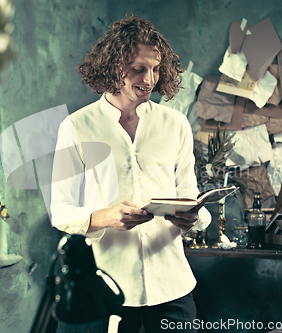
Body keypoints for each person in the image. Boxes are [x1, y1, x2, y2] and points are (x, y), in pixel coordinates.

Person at [50, 15, 211, 333]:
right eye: (139, 68)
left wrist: (193, 217)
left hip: (172, 287)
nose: (150, 79)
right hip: (108, 288)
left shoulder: (175, 124)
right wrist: (106, 217)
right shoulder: (76, 127)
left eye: (155, 68)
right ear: (113, 66)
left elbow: (193, 200)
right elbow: (61, 211)